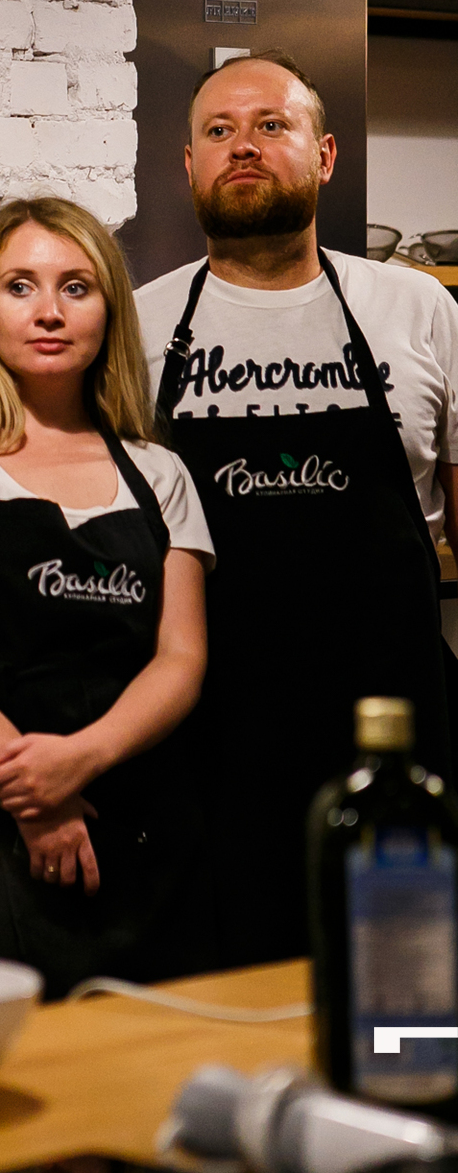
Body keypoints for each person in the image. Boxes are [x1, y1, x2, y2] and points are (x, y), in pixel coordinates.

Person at [135, 50, 458, 970]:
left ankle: (407, 1070)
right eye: (220, 131)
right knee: (227, 996)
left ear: (324, 155)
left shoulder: (417, 307)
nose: (244, 146)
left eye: (271, 125)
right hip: (210, 751)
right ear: (189, 166)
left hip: (396, 744)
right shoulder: (138, 325)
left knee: (405, 987)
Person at [0, 196, 216, 999]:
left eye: (75, 287)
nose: (48, 311)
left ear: (109, 311)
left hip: (136, 828)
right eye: (20, 285)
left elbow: (181, 659)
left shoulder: (159, 474)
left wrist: (81, 758)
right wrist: (35, 794)